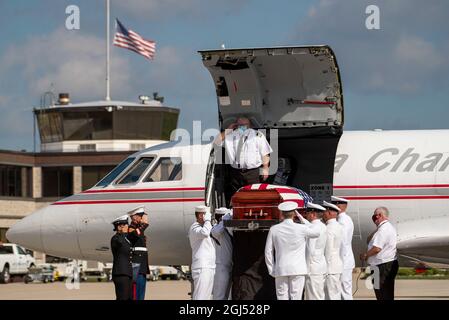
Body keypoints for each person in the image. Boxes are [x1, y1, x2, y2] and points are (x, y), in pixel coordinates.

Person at [265, 201, 320, 300]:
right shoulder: (301, 228)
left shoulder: (274, 229)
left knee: (282, 297)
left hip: (281, 268)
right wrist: (302, 218)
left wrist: (271, 269)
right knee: (296, 297)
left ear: (281, 214)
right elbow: (316, 232)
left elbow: (268, 252)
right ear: (294, 214)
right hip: (297, 269)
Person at [214, 117, 273, 198]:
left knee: (254, 195)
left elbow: (265, 153)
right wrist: (228, 129)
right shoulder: (230, 136)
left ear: (250, 125)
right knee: (237, 196)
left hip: (253, 172)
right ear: (236, 125)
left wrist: (265, 168)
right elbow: (216, 141)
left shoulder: (257, 135)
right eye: (240, 125)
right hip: (236, 173)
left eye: (245, 124)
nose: (242, 126)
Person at [360, 207, 398, 300]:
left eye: (374, 216)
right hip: (381, 265)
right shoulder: (383, 228)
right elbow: (368, 240)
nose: (374, 219)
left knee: (382, 294)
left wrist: (365, 255)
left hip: (382, 266)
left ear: (380, 216)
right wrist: (378, 227)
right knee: (383, 294)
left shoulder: (383, 229)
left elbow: (377, 248)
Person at [300, 202, 328, 300]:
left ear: (313, 214)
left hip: (312, 268)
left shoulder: (314, 228)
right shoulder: (322, 226)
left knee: (313, 296)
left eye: (307, 213)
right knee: (319, 295)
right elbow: (308, 224)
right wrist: (300, 217)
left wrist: (306, 270)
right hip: (320, 266)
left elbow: (310, 250)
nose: (306, 215)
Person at [188, 205, 216, 300]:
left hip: (209, 266)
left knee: (206, 297)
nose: (209, 217)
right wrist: (207, 221)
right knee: (200, 297)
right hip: (202, 267)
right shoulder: (194, 228)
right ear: (201, 215)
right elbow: (204, 233)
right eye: (206, 214)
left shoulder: (205, 227)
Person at [332, 196, 355, 300]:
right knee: (343, 290)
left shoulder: (343, 220)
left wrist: (338, 260)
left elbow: (342, 242)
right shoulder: (344, 219)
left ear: (338, 206)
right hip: (344, 260)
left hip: (343, 260)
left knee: (345, 291)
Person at [322, 201, 344, 300]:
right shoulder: (339, 227)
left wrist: (324, 268)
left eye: (325, 211)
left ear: (330, 213)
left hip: (330, 268)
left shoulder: (329, 228)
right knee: (336, 294)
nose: (323, 214)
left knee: (330, 295)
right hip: (337, 266)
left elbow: (328, 250)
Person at [127, 206, 149, 300]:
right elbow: (134, 235)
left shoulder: (139, 229)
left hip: (142, 266)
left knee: (141, 293)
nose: (143, 218)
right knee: (136, 294)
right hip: (137, 266)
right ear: (136, 217)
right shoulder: (131, 228)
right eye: (142, 216)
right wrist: (145, 224)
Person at [211, 207, 233, 300]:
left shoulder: (228, 228)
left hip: (230, 265)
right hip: (221, 267)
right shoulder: (216, 229)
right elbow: (216, 231)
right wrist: (224, 220)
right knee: (219, 296)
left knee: (228, 296)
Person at [110, 215, 133, 300]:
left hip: (128, 274)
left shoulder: (126, 239)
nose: (128, 227)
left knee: (129, 298)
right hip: (120, 274)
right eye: (126, 225)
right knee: (122, 298)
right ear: (120, 226)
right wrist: (122, 232)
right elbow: (120, 242)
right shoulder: (115, 238)